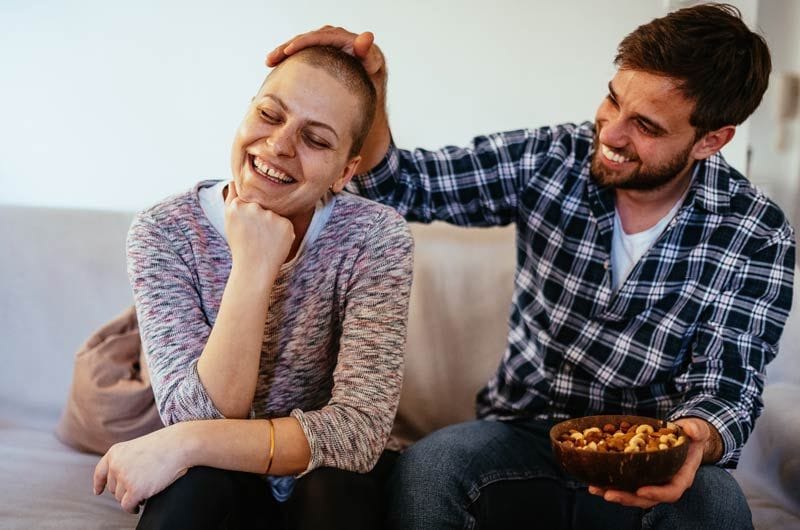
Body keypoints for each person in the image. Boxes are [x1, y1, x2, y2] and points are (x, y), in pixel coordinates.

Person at [266, 4, 796, 529]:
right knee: (429, 470)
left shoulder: (756, 231)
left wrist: (694, 439)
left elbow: (726, 382)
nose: (610, 133)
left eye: (646, 126)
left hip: (651, 449)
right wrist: (375, 89)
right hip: (520, 433)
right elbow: (401, 188)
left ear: (711, 139)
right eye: (613, 100)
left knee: (719, 509)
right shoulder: (552, 158)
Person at [92, 45, 414, 530]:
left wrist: (187, 442)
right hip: (219, 478)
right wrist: (253, 267)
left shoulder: (375, 236)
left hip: (326, 476)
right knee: (193, 489)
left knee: (332, 492)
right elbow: (196, 411)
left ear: (346, 172)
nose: (280, 145)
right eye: (269, 114)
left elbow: (358, 433)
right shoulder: (163, 231)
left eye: (316, 140)